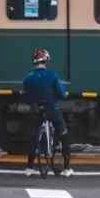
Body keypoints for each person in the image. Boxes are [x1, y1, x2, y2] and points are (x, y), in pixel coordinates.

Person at [24, 48, 73, 177]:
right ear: (46, 60)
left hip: (37, 110)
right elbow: (61, 94)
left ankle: (29, 167)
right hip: (52, 110)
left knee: (34, 137)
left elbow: (26, 96)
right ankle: (67, 168)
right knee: (64, 134)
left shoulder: (28, 78)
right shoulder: (52, 76)